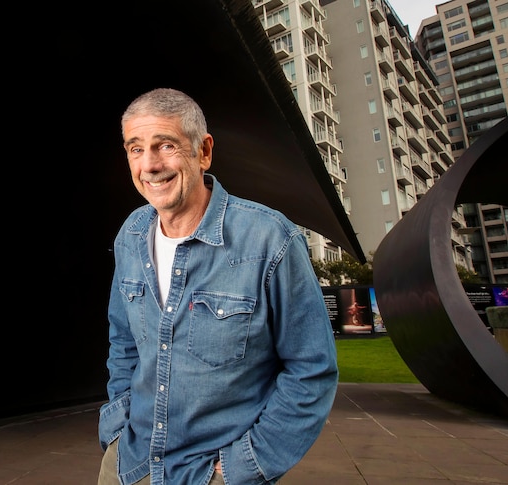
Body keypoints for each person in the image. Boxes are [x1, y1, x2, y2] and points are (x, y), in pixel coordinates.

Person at [97, 88, 338, 485]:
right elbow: (123, 343)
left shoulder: (269, 240)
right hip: (130, 465)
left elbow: (311, 369)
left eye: (166, 145)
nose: (150, 165)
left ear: (204, 151)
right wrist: (118, 429)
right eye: (135, 149)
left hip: (213, 475)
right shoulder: (131, 234)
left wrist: (241, 467)